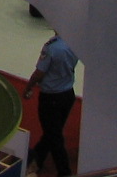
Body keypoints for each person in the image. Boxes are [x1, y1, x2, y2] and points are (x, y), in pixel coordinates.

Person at [24, 32, 80, 176]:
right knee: (52, 132)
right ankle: (35, 159)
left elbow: (39, 73)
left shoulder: (52, 47)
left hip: (51, 97)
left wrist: (29, 87)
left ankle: (64, 171)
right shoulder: (75, 43)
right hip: (68, 93)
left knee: (54, 136)